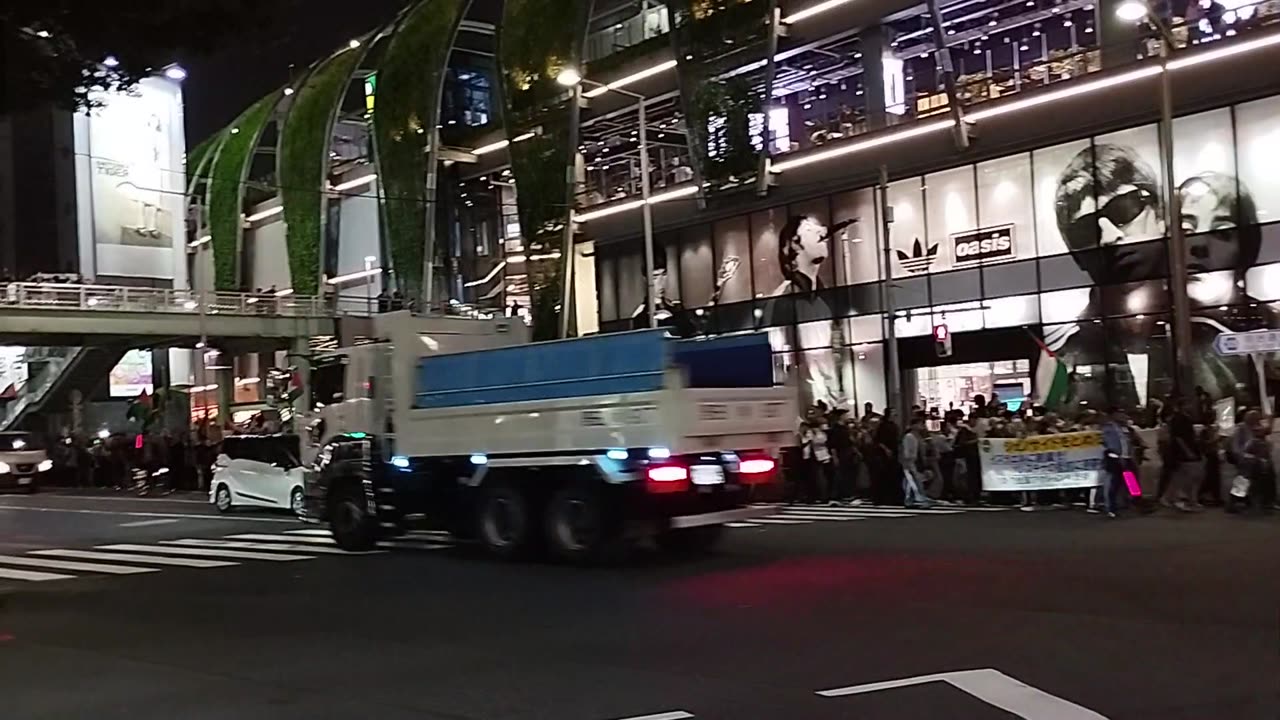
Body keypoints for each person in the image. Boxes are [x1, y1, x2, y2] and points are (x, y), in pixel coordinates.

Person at [1160, 397, 1203, 511]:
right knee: (1185, 475)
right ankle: (1179, 498)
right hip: (1182, 450)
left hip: (1185, 449)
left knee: (1180, 475)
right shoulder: (1178, 419)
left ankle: (1171, 497)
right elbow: (1177, 437)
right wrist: (1187, 450)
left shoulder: (1183, 418)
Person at [1100, 407, 1134, 518]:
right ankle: (1111, 508)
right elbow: (1109, 444)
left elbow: (1127, 442)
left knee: (1130, 480)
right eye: (1120, 414)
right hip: (1115, 458)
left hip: (1127, 457)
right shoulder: (1109, 428)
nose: (1123, 416)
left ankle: (1134, 501)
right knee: (1113, 483)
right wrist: (1117, 456)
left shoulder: (1124, 428)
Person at [899, 416, 932, 508]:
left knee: (912, 481)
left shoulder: (919, 437)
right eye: (919, 424)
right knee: (914, 481)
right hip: (911, 461)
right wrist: (907, 460)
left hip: (917, 460)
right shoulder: (909, 436)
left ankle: (910, 500)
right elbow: (907, 450)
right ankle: (919, 500)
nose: (921, 426)